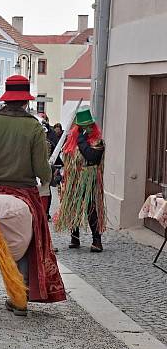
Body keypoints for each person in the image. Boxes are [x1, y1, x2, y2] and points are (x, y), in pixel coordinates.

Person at [0, 75, 66, 312]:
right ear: (25, 101)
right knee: (25, 242)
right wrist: (48, 176)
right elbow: (42, 168)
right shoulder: (33, 126)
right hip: (22, 191)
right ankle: (18, 297)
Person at [55, 107, 106, 252]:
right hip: (74, 179)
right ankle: (74, 238)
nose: (87, 128)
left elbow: (92, 157)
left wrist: (81, 139)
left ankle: (97, 241)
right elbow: (64, 157)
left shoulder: (98, 142)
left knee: (92, 209)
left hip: (90, 179)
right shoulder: (71, 141)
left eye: (89, 126)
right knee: (73, 208)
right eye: (83, 126)